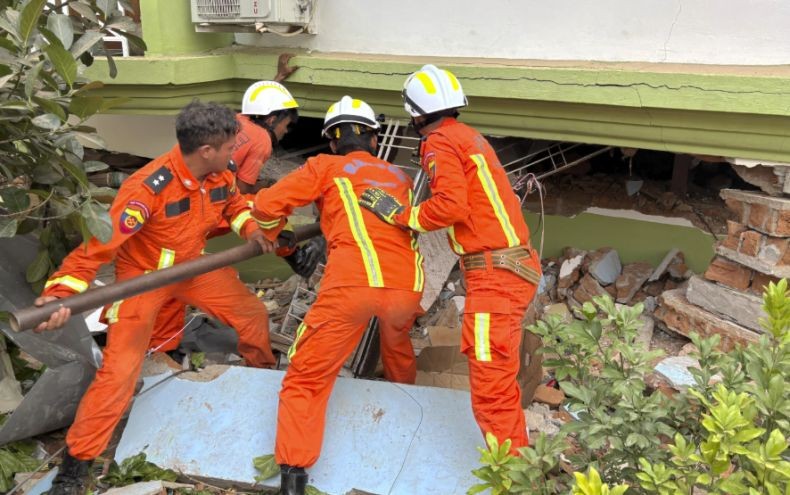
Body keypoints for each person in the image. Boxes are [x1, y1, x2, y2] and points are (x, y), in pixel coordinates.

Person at [35, 101, 278, 495]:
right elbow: (97, 248)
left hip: (191, 269)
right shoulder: (147, 189)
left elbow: (234, 206)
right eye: (231, 147)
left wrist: (250, 228)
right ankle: (75, 468)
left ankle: (262, 378)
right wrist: (60, 294)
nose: (236, 153)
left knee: (251, 314)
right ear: (206, 151)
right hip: (143, 280)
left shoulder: (219, 176)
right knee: (119, 373)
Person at [359, 64, 542, 453]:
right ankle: (519, 464)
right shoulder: (467, 137)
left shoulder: (440, 142)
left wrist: (402, 215)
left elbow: (449, 207)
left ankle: (510, 474)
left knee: (491, 389)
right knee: (499, 382)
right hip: (507, 269)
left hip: (496, 276)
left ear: (416, 112)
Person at [251, 96, 425, 495]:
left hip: (352, 285)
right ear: (375, 140)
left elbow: (267, 205)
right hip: (405, 287)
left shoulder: (325, 166)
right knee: (396, 347)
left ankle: (294, 477)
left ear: (332, 141)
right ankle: (409, 415)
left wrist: (279, 234)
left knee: (307, 379)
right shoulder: (398, 176)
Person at [151, 77, 323, 356]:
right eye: (285, 124)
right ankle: (295, 256)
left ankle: (163, 349)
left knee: (171, 290)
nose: (286, 132)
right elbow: (239, 192)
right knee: (271, 207)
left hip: (188, 217)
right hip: (211, 209)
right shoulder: (262, 139)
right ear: (271, 118)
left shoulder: (234, 120)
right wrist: (268, 192)